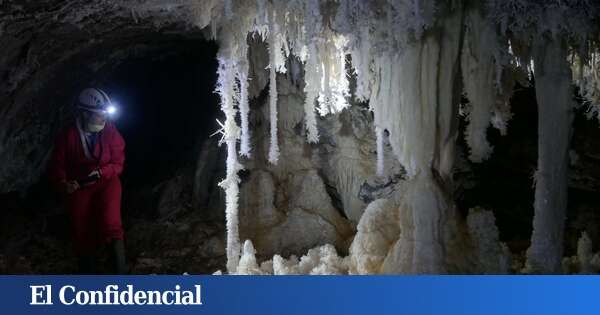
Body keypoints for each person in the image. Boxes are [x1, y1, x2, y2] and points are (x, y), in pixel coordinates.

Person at [48, 87, 127, 274]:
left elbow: (118, 163)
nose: (103, 118)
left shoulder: (109, 131)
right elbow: (57, 165)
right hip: (79, 184)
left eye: (105, 114)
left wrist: (102, 172)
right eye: (99, 114)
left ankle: (120, 275)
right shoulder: (69, 135)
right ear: (84, 113)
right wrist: (63, 183)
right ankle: (88, 275)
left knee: (111, 224)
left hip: (107, 181)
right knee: (81, 229)